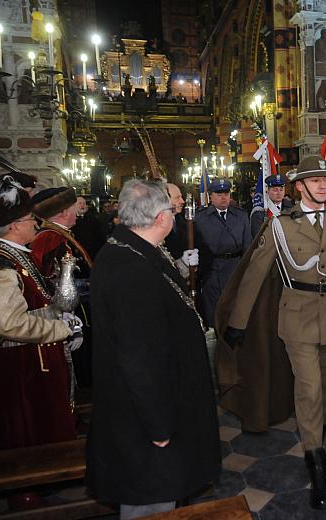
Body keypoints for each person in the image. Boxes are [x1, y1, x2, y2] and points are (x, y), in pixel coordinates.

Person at [216, 156, 326, 510]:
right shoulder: (281, 225)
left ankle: (319, 443)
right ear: (300, 186)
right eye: (314, 181)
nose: (322, 186)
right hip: (296, 318)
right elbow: (254, 274)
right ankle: (314, 464)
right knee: (310, 388)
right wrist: (238, 322)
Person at [87, 180, 220, 519]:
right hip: (145, 420)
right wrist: (159, 425)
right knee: (150, 500)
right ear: (162, 217)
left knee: (165, 495)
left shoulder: (134, 249)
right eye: (173, 211)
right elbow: (140, 357)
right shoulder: (130, 270)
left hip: (155, 407)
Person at [0, 171, 81, 452]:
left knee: (43, 427)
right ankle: (26, 495)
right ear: (13, 226)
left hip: (32, 361)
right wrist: (60, 328)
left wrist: (59, 316)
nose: (36, 223)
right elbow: (9, 324)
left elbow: (32, 304)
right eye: (28, 219)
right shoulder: (0, 266)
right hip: (19, 367)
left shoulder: (15, 255)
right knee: (24, 431)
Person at [29, 188, 92, 391]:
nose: (78, 213)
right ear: (64, 212)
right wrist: (68, 320)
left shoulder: (59, 235)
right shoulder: (51, 238)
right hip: (66, 312)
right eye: (74, 209)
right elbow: (51, 282)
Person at [194, 178, 251, 328]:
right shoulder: (200, 218)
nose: (224, 197)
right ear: (211, 196)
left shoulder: (240, 215)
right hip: (211, 270)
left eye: (226, 193)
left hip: (234, 267)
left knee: (235, 311)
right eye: (219, 194)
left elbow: (247, 246)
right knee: (213, 313)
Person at [72, 196, 106, 261]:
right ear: (74, 206)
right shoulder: (70, 219)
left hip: (91, 255)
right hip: (76, 255)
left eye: (84, 203)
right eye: (80, 203)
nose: (83, 205)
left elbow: (100, 238)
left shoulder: (93, 220)